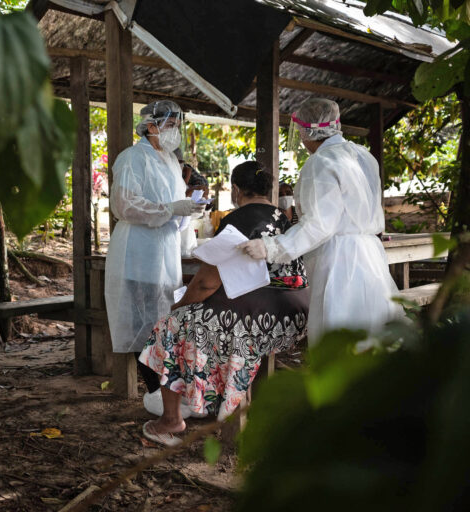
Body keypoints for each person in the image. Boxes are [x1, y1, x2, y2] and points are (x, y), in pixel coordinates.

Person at [139, 161, 310, 446]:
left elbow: (207, 282)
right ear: (269, 189)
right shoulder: (286, 217)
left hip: (259, 317)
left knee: (170, 327)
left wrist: (179, 307)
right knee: (202, 319)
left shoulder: (239, 219)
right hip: (295, 314)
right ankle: (205, 399)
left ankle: (170, 421)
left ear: (236, 190)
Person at [239, 98, 403, 345]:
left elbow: (320, 224)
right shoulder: (363, 155)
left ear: (309, 130)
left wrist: (270, 247)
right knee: (373, 330)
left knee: (338, 334)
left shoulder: (320, 162)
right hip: (371, 255)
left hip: (339, 260)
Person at [104, 100, 203, 405]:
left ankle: (166, 394)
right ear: (150, 126)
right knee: (144, 325)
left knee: (163, 322)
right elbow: (124, 205)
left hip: (166, 250)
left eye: (176, 126)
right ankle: (155, 393)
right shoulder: (133, 158)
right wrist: (171, 208)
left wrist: (189, 211)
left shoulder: (171, 161)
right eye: (169, 125)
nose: (175, 132)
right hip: (139, 251)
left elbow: (174, 208)